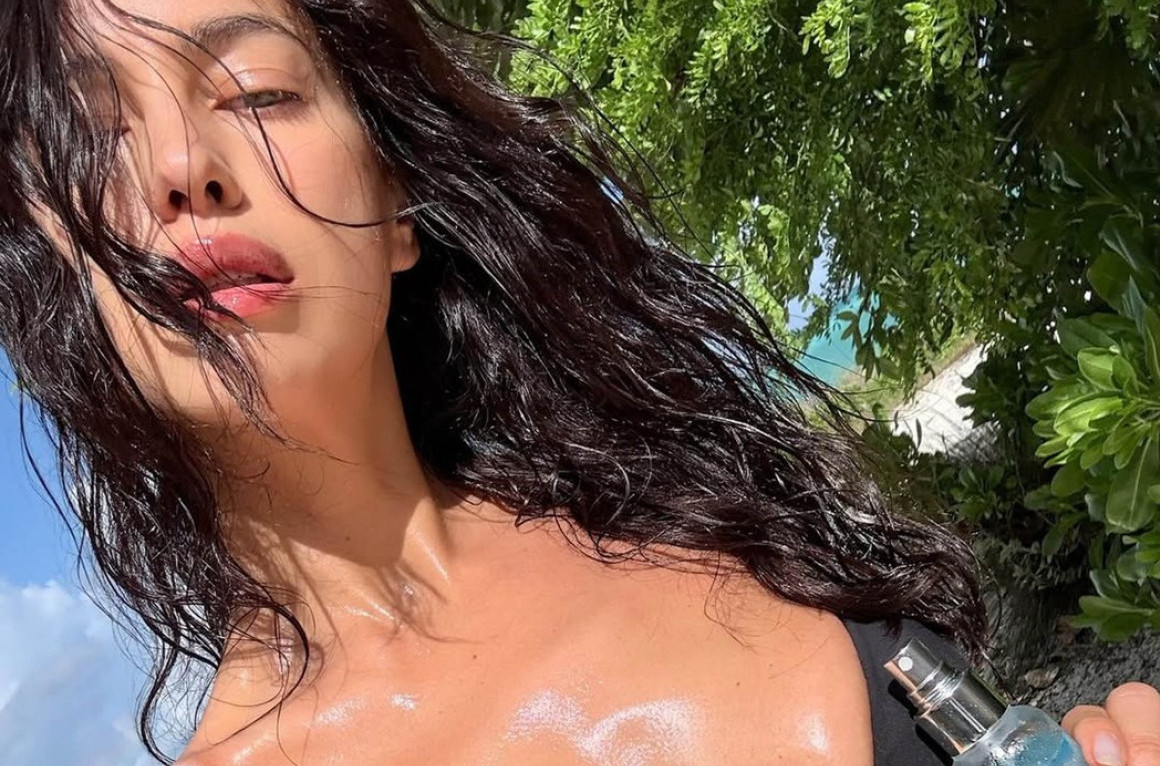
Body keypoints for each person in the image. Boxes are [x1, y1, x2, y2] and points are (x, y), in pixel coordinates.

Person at [0, 0, 1156, 764]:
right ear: (64, 277)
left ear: (396, 206)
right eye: (94, 137)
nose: (182, 167)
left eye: (256, 93)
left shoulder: (710, 506)